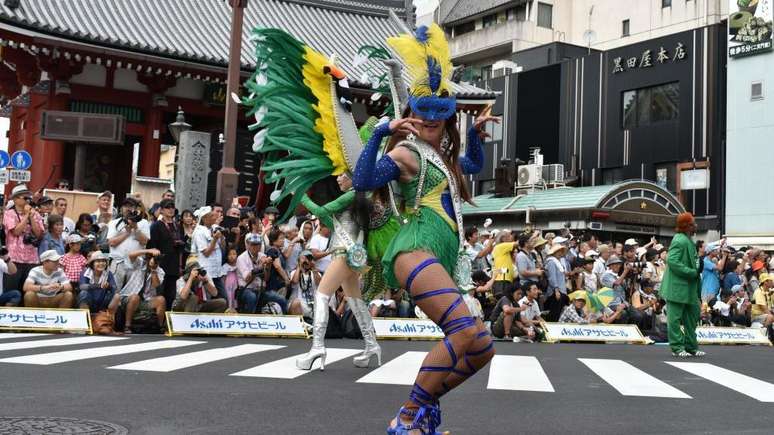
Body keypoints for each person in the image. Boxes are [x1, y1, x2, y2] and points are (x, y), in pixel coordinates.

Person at [351, 24, 498, 433]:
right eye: (422, 109)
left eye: (439, 110)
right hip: (414, 250)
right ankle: (410, 416)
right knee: (464, 329)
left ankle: (425, 406)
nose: (430, 118)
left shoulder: (439, 156)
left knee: (482, 348)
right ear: (410, 111)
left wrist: (476, 139)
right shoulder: (406, 152)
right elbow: (364, 181)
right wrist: (381, 133)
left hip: (438, 255)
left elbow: (470, 168)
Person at [660, 213, 704, 358]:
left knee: (692, 318)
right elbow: (672, 261)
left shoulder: (687, 240)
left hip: (688, 287)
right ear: (687, 226)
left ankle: (691, 347)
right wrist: (691, 272)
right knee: (675, 319)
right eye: (693, 223)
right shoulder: (679, 240)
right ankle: (677, 348)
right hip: (678, 288)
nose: (695, 226)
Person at [4, 184, 44, 293]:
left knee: (29, 292)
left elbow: (38, 234)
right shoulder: (8, 214)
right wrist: (26, 215)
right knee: (12, 291)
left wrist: (31, 216)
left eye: (28, 197)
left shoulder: (35, 214)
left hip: (32, 259)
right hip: (14, 259)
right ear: (16, 199)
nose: (27, 200)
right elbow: (16, 231)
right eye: (25, 197)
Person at [106, 197, 150, 289]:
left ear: (136, 209)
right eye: (126, 206)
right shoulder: (114, 223)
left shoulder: (143, 223)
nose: (128, 208)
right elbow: (111, 242)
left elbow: (145, 241)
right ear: (121, 208)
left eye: (131, 206)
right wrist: (127, 233)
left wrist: (135, 228)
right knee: (115, 292)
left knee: (133, 294)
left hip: (136, 263)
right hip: (117, 263)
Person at [120, 248, 166, 333]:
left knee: (161, 300)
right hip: (128, 297)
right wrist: (148, 251)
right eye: (154, 259)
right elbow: (131, 254)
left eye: (158, 260)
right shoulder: (140, 263)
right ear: (148, 258)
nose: (156, 262)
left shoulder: (160, 271)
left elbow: (156, 285)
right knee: (135, 297)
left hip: (144, 301)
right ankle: (127, 326)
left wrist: (153, 270)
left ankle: (160, 327)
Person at [148, 198, 183, 310]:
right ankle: (158, 322)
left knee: (171, 296)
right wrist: (153, 264)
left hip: (174, 264)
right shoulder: (156, 226)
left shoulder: (178, 226)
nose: (171, 209)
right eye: (167, 207)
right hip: (161, 265)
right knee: (159, 294)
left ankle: (166, 323)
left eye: (172, 207)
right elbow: (152, 246)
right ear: (161, 210)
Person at [190, 206, 226, 298]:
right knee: (208, 300)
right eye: (212, 216)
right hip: (206, 272)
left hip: (217, 271)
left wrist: (221, 237)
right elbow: (206, 253)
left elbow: (223, 247)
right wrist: (214, 239)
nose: (216, 217)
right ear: (205, 219)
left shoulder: (215, 228)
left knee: (223, 299)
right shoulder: (199, 232)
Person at [288, 250, 322, 318]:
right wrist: (299, 266)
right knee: (296, 303)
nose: (306, 261)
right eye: (304, 258)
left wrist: (314, 268)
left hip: (312, 306)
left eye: (309, 259)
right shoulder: (294, 273)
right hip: (298, 307)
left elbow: (319, 284)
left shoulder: (316, 273)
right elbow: (294, 281)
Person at [544, 243, 570, 321]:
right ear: (553, 252)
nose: (560, 253)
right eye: (558, 251)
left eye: (561, 251)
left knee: (558, 312)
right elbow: (552, 277)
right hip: (555, 291)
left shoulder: (558, 262)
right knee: (554, 313)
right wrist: (556, 290)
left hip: (562, 290)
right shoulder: (551, 262)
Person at [491, 230, 516, 299]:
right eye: (509, 236)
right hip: (502, 281)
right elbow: (518, 243)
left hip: (504, 280)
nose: (511, 238)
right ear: (503, 238)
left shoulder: (503, 248)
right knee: (504, 303)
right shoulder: (501, 246)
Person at [222, 247, 239, 311]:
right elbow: (223, 279)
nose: (232, 256)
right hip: (227, 287)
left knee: (235, 298)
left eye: (234, 254)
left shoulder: (239, 265)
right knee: (229, 298)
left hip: (236, 286)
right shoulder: (225, 266)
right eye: (229, 254)